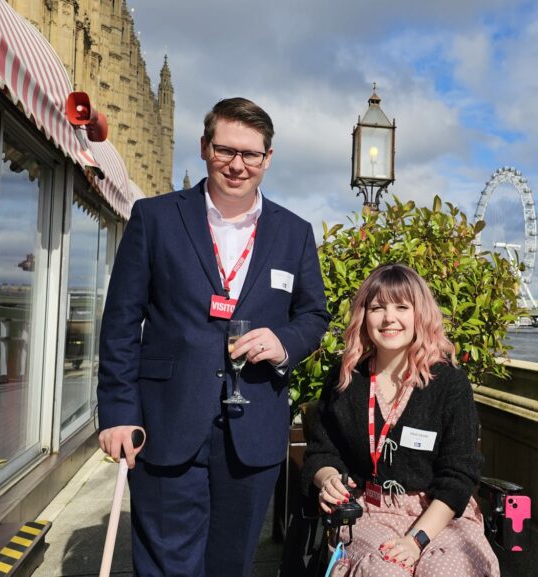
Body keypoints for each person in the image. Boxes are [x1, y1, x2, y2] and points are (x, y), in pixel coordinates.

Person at [97, 97, 330, 577]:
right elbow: (121, 321)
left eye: (251, 154)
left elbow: (313, 315)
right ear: (204, 147)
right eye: (226, 150)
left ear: (267, 158)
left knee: (231, 564)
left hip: (254, 430)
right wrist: (118, 414)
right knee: (166, 564)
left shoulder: (295, 232)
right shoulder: (154, 218)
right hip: (165, 421)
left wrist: (285, 342)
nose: (237, 165)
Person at [301, 264, 500, 576]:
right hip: (369, 511)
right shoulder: (345, 380)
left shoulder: (448, 384)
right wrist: (327, 480)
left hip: (439, 515)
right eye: (377, 307)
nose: (389, 318)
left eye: (402, 307)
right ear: (364, 316)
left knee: (447, 569)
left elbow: (459, 475)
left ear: (419, 315)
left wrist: (416, 540)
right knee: (386, 572)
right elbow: (321, 453)